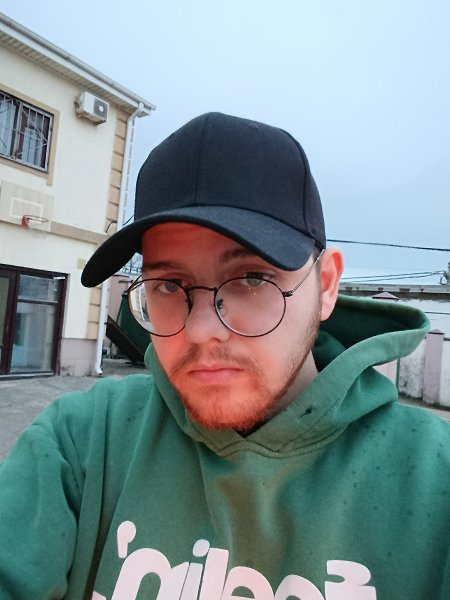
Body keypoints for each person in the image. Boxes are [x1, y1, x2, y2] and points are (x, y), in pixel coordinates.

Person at [0, 112, 449, 600]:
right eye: (168, 284)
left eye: (252, 279)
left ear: (325, 286)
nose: (200, 331)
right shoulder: (82, 441)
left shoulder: (433, 478)